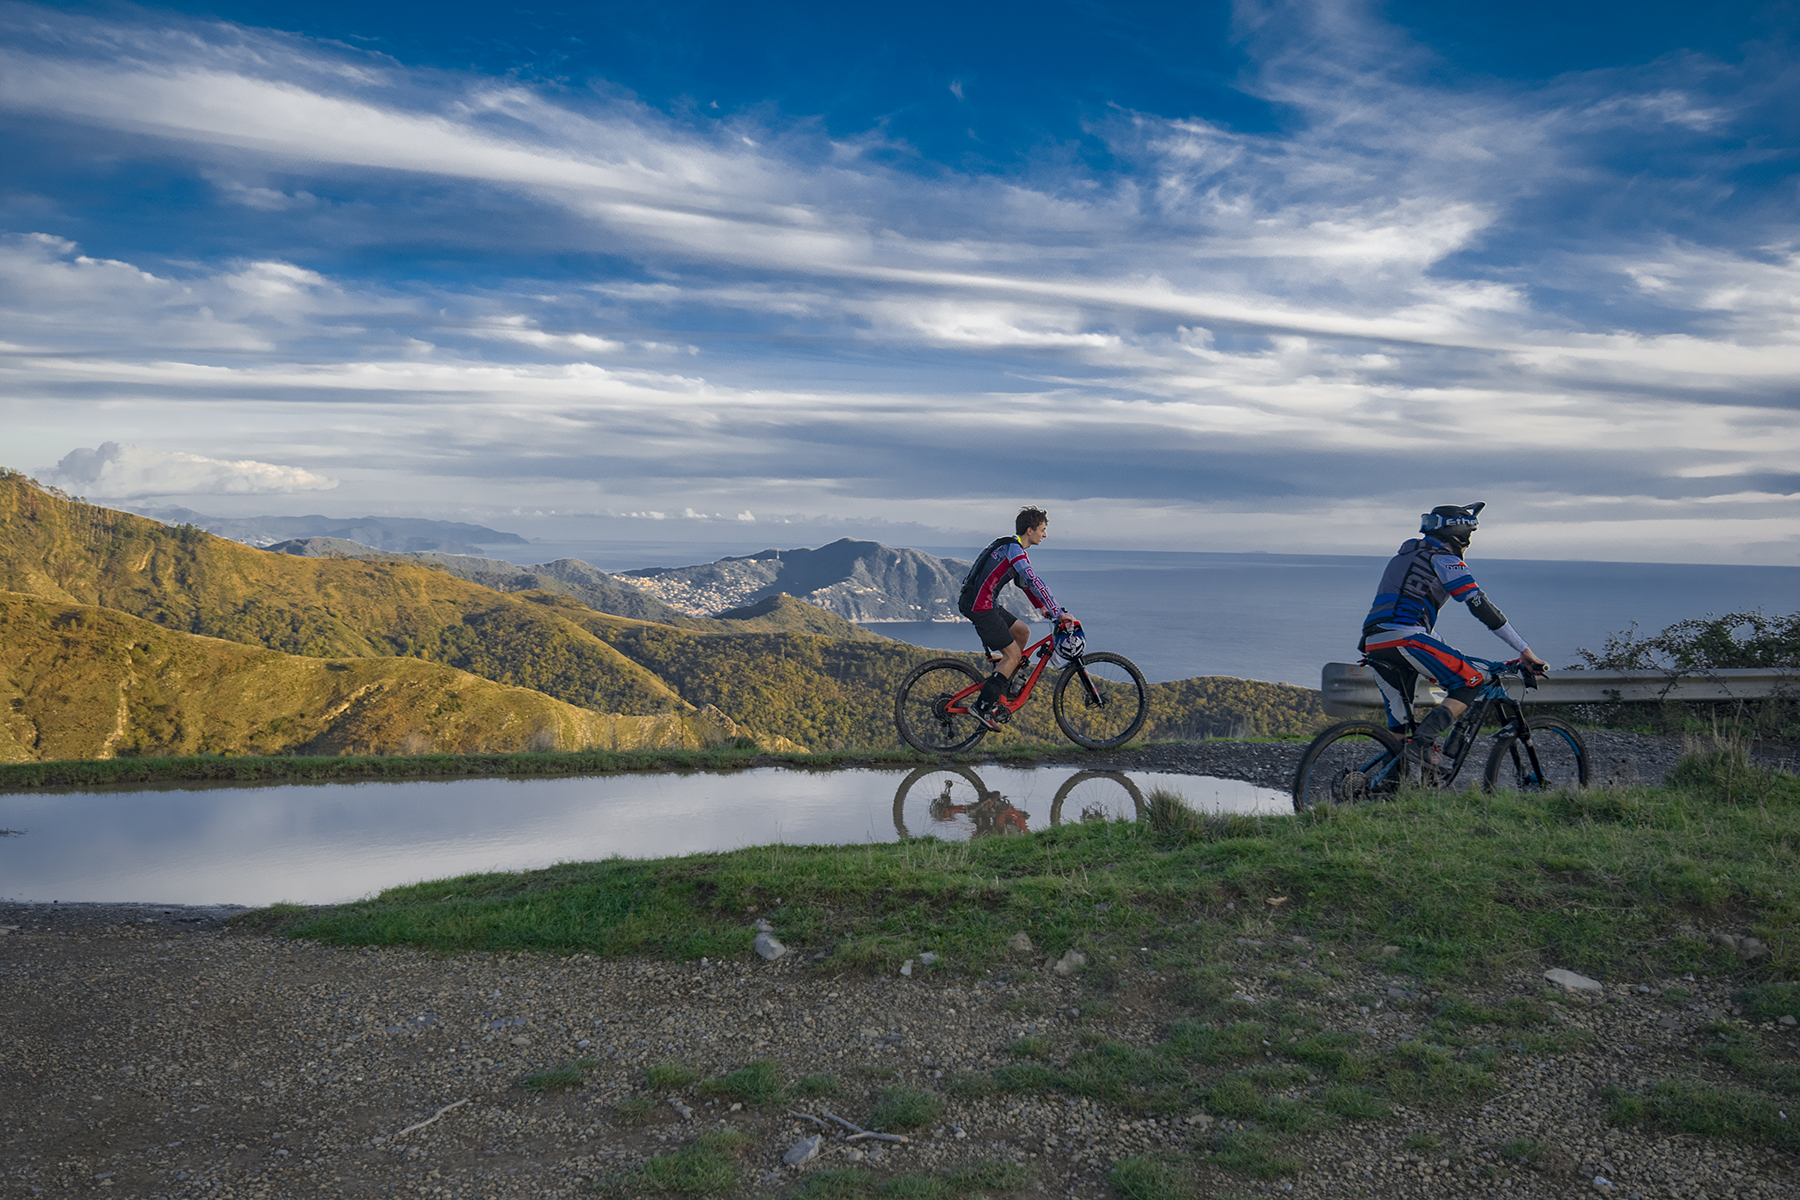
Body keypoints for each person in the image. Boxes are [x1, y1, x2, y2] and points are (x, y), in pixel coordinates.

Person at [1360, 503, 1548, 779]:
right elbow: (1479, 605)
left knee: (1400, 725)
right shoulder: (1445, 560)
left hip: (1374, 641)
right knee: (1471, 680)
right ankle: (1424, 744)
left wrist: (1451, 652)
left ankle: (1385, 787)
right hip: (1406, 638)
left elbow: (1414, 617)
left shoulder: (1406, 554)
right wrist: (1524, 650)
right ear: (1461, 536)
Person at [957, 507, 1073, 731]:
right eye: (1042, 530)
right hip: (981, 607)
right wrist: (1058, 611)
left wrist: (1041, 606)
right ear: (1030, 530)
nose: (1045, 535)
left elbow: (1023, 583)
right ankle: (982, 706)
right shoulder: (1014, 549)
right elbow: (1033, 580)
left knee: (1022, 632)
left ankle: (1000, 684)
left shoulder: (1010, 546)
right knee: (1013, 656)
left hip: (984, 603)